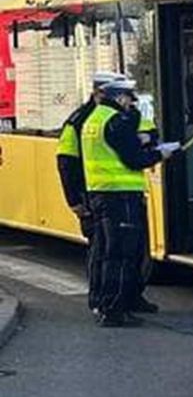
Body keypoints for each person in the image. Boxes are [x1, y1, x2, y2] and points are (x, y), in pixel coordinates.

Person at [81, 79, 178, 327]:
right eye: (127, 97)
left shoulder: (95, 118)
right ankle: (115, 311)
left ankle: (105, 303)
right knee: (123, 254)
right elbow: (133, 160)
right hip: (121, 195)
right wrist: (160, 153)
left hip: (102, 193)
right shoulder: (116, 121)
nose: (131, 102)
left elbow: (117, 147)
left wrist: (141, 139)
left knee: (108, 252)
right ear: (118, 97)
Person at [57, 71, 124, 313]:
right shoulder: (78, 121)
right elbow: (65, 161)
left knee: (119, 248)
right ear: (98, 93)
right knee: (100, 248)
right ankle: (98, 298)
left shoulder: (116, 116)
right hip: (90, 194)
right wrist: (73, 200)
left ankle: (127, 297)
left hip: (112, 192)